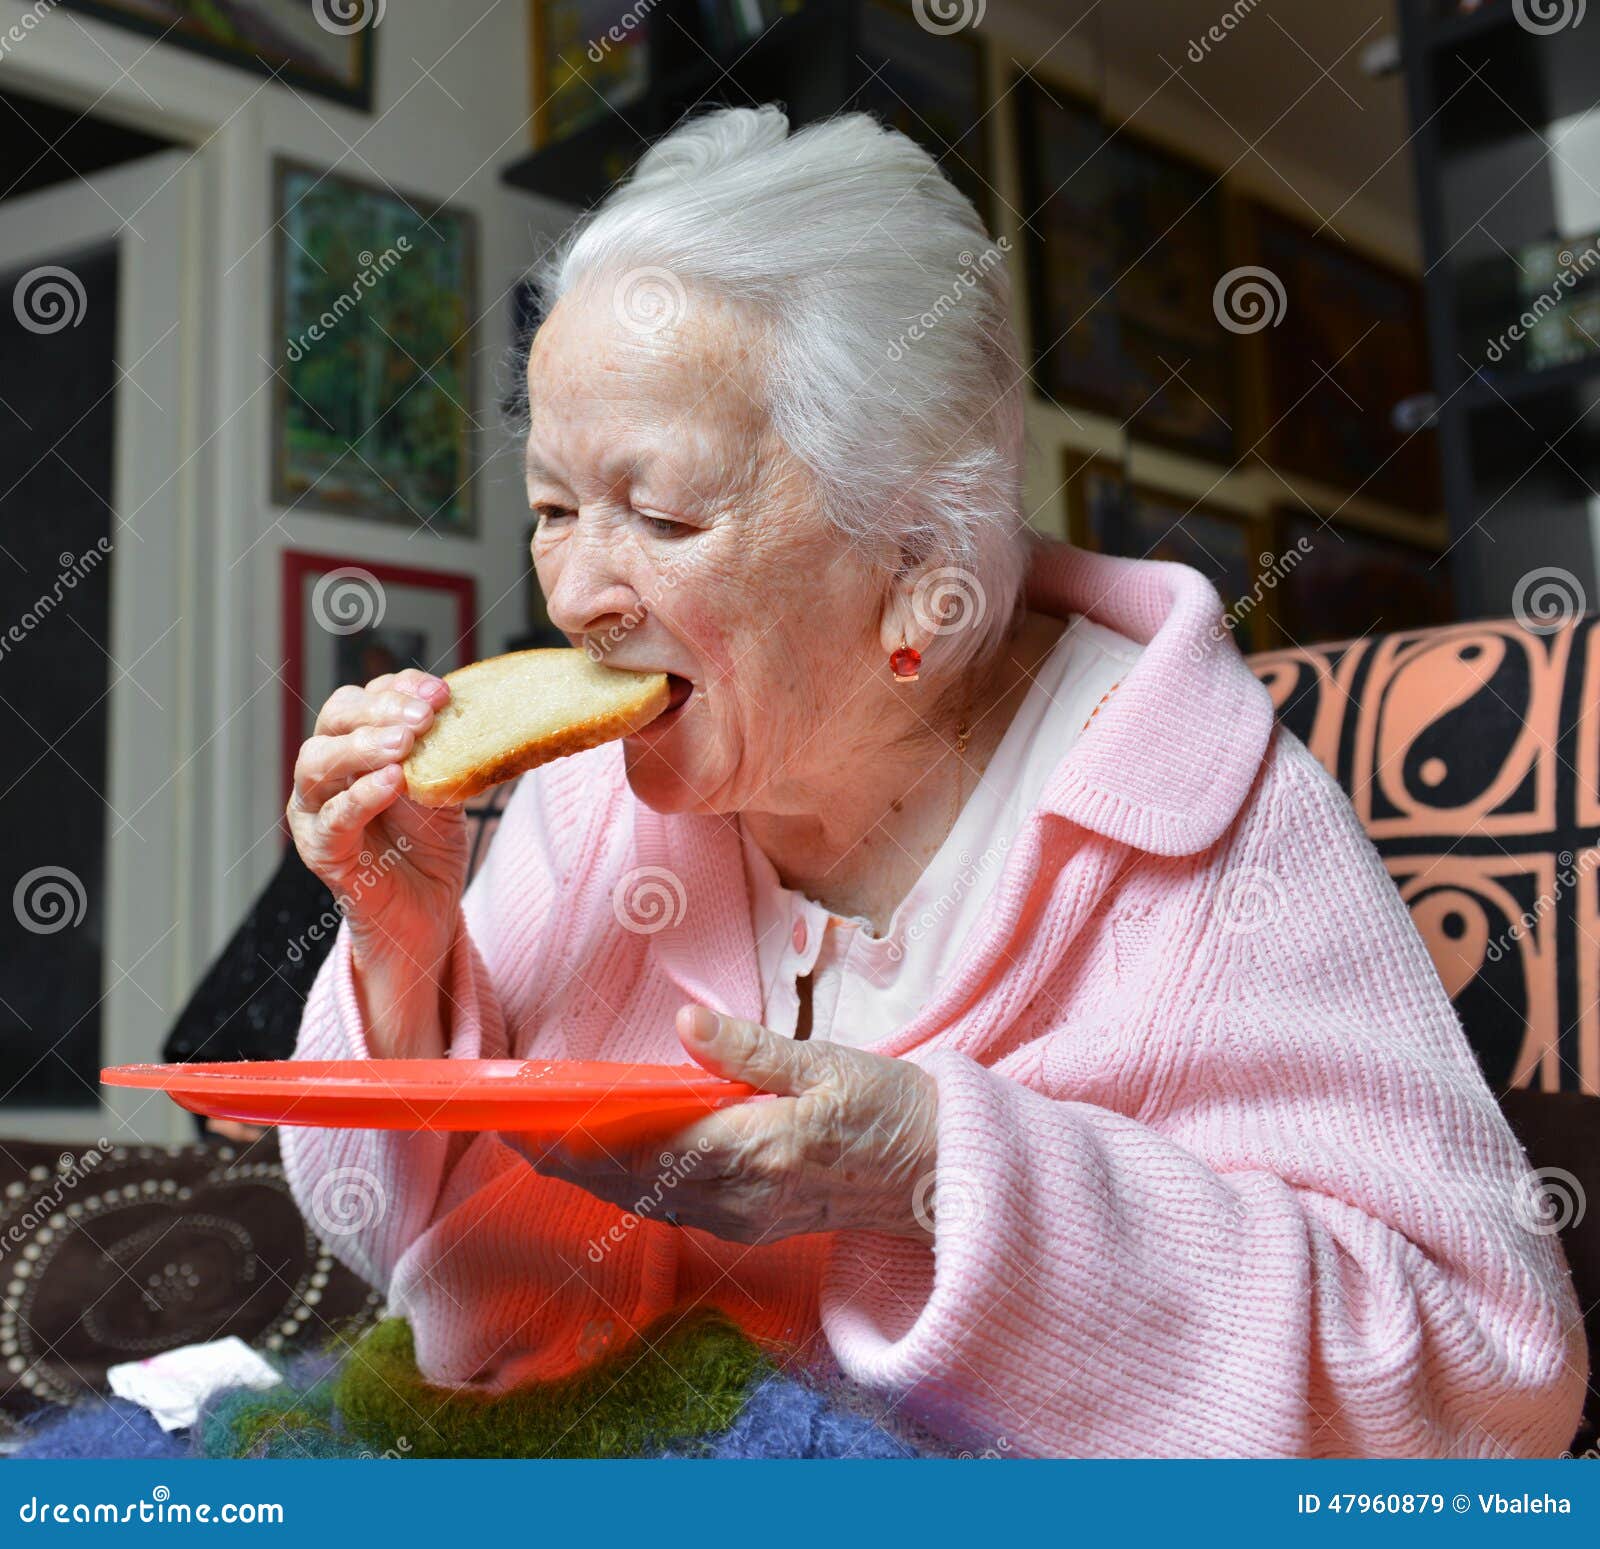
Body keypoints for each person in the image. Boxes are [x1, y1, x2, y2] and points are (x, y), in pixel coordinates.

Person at [279, 106, 1586, 1457]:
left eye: (661, 515)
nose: (577, 593)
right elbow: (417, 1275)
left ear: (916, 545)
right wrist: (405, 944)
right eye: (554, 507)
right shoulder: (584, 801)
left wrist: (937, 1173)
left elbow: (1488, 1385)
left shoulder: (1199, 812)